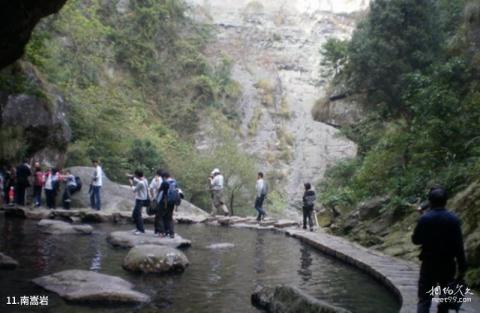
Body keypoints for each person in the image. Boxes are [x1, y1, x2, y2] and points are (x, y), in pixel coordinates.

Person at [412, 186, 467, 313]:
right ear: (446, 201)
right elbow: (459, 246)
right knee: (445, 300)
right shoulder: (454, 220)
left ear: (430, 201)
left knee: (424, 299)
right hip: (448, 265)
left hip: (428, 263)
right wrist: (462, 267)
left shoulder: (425, 219)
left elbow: (416, 240)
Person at [129, 170, 149, 235]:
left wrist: (131, 183)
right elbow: (138, 180)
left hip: (140, 200)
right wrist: (131, 177)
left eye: (135, 175)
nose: (135, 176)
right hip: (143, 199)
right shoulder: (145, 180)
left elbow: (134, 190)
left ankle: (141, 230)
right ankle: (139, 229)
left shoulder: (141, 183)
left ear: (137, 175)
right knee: (137, 214)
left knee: (136, 215)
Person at [149, 169, 164, 236]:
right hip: (164, 200)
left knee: (157, 216)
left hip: (157, 199)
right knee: (162, 216)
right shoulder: (164, 179)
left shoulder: (156, 179)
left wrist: (152, 197)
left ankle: (157, 231)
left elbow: (151, 188)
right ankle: (163, 231)